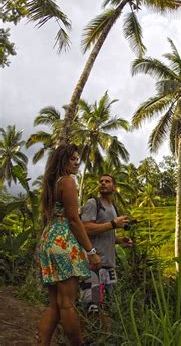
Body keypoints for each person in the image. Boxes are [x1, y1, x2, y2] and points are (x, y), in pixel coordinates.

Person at [36, 144, 101, 346]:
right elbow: (74, 219)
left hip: (49, 238)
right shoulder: (68, 182)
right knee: (67, 304)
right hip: (63, 240)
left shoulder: (52, 183)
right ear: (63, 160)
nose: (77, 162)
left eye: (77, 159)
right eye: (72, 159)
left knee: (55, 304)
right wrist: (91, 251)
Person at [79, 174, 132, 321]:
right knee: (93, 306)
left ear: (114, 187)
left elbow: (104, 232)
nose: (103, 183)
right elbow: (85, 228)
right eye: (101, 181)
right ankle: (90, 338)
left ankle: (106, 337)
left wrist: (120, 240)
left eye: (107, 181)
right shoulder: (92, 203)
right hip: (94, 265)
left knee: (109, 306)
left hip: (109, 265)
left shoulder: (113, 207)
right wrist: (113, 224)